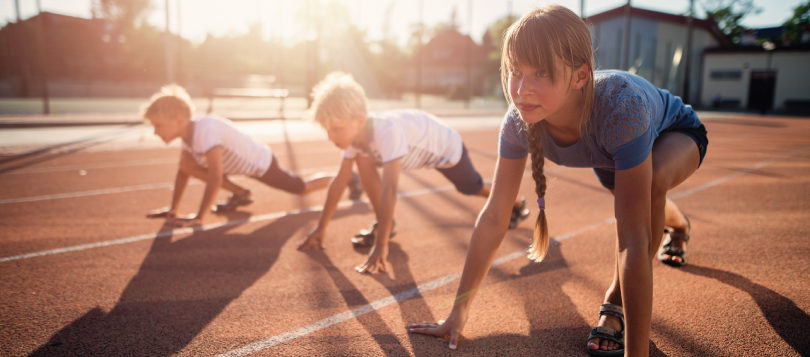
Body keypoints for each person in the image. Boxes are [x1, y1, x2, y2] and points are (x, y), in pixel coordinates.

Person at [407, 5, 708, 356]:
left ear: (580, 77)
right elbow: (494, 216)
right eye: (515, 72)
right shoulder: (519, 121)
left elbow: (633, 242)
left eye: (542, 74)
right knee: (636, 198)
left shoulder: (621, 110)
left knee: (648, 191)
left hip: (675, 132)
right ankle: (679, 224)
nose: (522, 90)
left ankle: (615, 302)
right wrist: (457, 312)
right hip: (611, 150)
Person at [296, 72, 531, 273]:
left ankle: (514, 204)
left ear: (359, 120)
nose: (331, 137)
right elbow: (340, 181)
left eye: (336, 129)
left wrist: (380, 246)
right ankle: (385, 224)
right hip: (420, 146)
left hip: (446, 149)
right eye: (327, 130)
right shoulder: (355, 139)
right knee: (362, 161)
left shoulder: (386, 133)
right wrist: (321, 228)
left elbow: (390, 190)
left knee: (471, 188)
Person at [142, 84, 342, 227]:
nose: (155, 132)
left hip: (260, 163)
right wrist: (173, 209)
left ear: (178, 120)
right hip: (237, 167)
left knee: (301, 188)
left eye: (158, 125)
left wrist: (199, 217)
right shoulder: (187, 136)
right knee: (187, 165)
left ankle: (346, 179)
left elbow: (215, 175)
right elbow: (183, 172)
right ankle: (240, 193)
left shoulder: (205, 131)